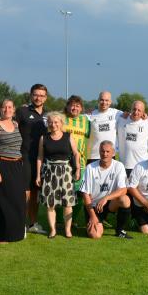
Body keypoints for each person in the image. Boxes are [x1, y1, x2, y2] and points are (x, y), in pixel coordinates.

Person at [35, 112, 80, 238]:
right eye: (50, 122)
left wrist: (77, 169)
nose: (53, 124)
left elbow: (76, 153)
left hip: (66, 172)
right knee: (50, 204)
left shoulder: (68, 136)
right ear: (48, 123)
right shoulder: (44, 138)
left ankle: (67, 230)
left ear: (61, 123)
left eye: (56, 122)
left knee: (68, 203)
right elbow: (40, 157)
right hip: (49, 172)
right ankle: (53, 230)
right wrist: (38, 175)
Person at [0, 99, 25, 243]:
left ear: (13, 109)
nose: (7, 109)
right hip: (1, 165)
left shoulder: (15, 124)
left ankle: (17, 233)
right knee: (4, 202)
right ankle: (3, 235)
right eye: (4, 107)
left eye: (10, 107)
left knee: (18, 201)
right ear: (0, 109)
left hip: (16, 166)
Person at [80, 141, 132, 239]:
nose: (105, 154)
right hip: (94, 206)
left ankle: (120, 230)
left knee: (125, 200)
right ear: (99, 152)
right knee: (95, 235)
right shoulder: (90, 167)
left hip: (109, 203)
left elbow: (124, 189)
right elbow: (85, 194)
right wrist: (93, 216)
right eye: (102, 151)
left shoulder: (119, 166)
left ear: (113, 153)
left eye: (108, 151)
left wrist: (106, 198)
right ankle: (98, 222)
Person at [15, 83, 48, 234]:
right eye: (36, 94)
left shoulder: (49, 115)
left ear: (46, 98)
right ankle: (21, 223)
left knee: (36, 193)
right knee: (25, 192)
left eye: (41, 95)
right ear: (31, 95)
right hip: (25, 157)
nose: (38, 98)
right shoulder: (22, 111)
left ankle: (33, 223)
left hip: (42, 159)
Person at [63, 95, 91, 226]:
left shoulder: (87, 121)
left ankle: (72, 219)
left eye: (78, 106)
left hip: (81, 163)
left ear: (81, 108)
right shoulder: (61, 119)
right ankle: (59, 221)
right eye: (72, 105)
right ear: (68, 106)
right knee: (62, 192)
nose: (75, 108)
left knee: (79, 193)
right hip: (62, 162)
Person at [116, 100, 148, 178]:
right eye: (134, 109)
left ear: (143, 112)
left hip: (142, 165)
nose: (136, 112)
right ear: (131, 109)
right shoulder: (121, 119)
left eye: (139, 110)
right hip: (124, 165)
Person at [87, 91, 120, 164]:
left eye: (107, 100)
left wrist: (144, 116)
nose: (104, 102)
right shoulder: (90, 115)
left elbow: (132, 116)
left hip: (110, 155)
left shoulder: (117, 113)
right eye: (102, 100)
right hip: (93, 156)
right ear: (98, 101)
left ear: (110, 102)